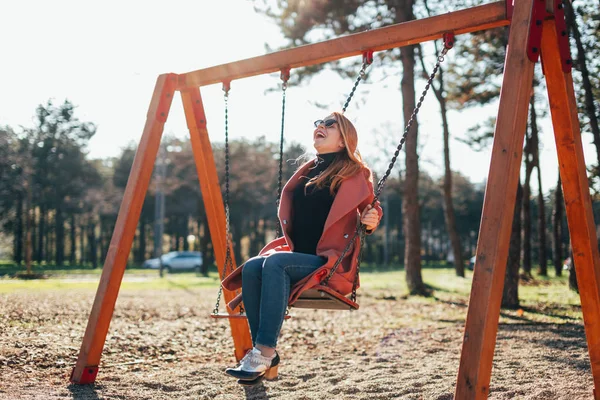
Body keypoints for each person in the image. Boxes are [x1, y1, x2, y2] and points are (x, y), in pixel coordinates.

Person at [221, 111, 383, 385]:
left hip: (327, 264)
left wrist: (371, 220)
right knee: (252, 266)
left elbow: (371, 208)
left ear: (344, 141)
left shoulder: (356, 174)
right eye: (318, 123)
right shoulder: (308, 170)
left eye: (329, 124)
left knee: (275, 262)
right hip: (297, 256)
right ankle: (265, 353)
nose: (320, 126)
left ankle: (263, 352)